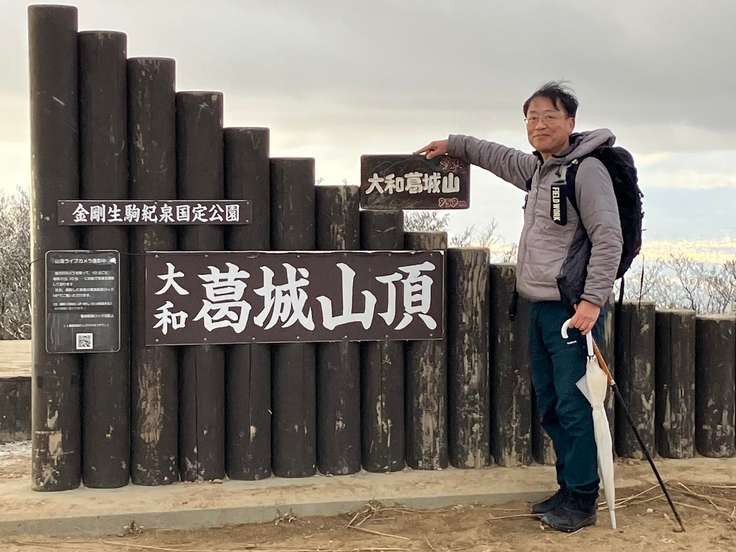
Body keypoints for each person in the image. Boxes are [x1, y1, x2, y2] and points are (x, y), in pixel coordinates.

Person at [416, 81, 622, 532]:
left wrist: (592, 302)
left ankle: (582, 499)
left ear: (571, 122)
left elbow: (609, 237)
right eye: (532, 117)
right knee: (551, 403)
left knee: (576, 404)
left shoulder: (586, 172)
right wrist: (454, 144)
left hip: (572, 311)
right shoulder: (538, 170)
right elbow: (495, 155)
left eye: (550, 116)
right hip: (541, 308)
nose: (540, 124)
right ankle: (568, 488)